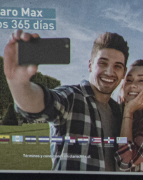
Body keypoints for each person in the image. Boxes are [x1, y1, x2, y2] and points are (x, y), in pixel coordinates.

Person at [5, 31, 129, 171]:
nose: (109, 72)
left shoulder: (119, 112)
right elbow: (44, 103)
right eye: (103, 63)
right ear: (90, 65)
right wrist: (18, 83)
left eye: (117, 66)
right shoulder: (71, 97)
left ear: (124, 73)